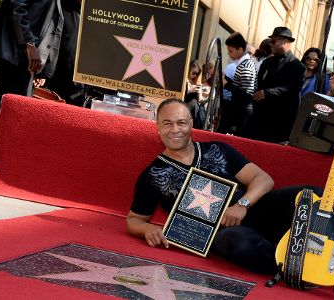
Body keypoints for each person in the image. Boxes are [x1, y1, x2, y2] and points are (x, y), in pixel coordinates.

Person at [126, 99, 320, 274]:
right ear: (157, 128)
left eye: (181, 123)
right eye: (167, 124)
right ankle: (301, 268)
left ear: (192, 124)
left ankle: (326, 256)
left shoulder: (217, 149)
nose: (175, 129)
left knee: (311, 195)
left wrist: (242, 205)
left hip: (252, 212)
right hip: (221, 234)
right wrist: (147, 230)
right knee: (240, 243)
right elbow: (134, 220)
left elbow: (263, 179)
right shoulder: (152, 175)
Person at [0, 0, 81, 115]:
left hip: (29, 57)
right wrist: (29, 43)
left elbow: (55, 20)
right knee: (12, 107)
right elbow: (17, 6)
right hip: (16, 53)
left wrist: (43, 67)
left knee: (18, 109)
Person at [246, 27, 305, 143]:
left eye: (274, 41)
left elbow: (293, 89)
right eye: (270, 41)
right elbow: (259, 86)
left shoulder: (297, 66)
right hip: (259, 121)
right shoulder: (266, 62)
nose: (270, 45)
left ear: (285, 42)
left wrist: (267, 93)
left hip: (279, 124)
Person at [219, 32, 257, 136]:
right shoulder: (244, 64)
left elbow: (246, 95)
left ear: (240, 49)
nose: (229, 54)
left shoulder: (245, 66)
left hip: (242, 112)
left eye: (230, 51)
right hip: (240, 110)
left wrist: (227, 84)